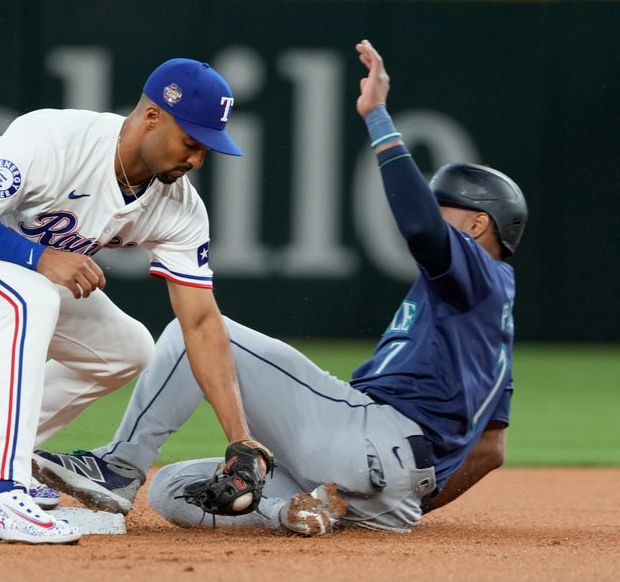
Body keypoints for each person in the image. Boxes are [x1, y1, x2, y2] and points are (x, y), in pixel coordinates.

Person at [32, 39, 528, 536]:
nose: (431, 211)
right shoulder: (486, 327)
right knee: (171, 489)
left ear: (479, 225)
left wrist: (376, 115)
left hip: (375, 439)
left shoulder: (478, 271)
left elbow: (420, 228)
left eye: (442, 205)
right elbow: (490, 451)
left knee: (197, 331)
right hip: (384, 484)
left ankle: (119, 466)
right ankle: (295, 508)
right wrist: (402, 498)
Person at [0, 58, 273, 544]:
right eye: (191, 142)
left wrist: (239, 436)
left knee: (127, 349)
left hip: (16, 266)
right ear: (151, 117)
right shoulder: (57, 140)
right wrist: (39, 257)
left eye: (207, 149)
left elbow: (202, 323)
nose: (196, 160)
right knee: (31, 299)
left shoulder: (180, 208)